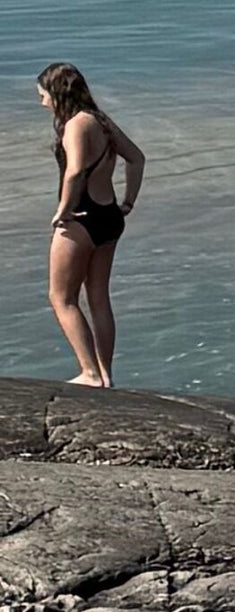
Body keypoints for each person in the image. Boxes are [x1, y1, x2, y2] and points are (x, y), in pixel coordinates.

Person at [38, 64, 142, 388]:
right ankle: (106, 375)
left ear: (58, 94)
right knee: (98, 296)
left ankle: (90, 373)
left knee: (61, 297)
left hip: (80, 219)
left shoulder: (75, 125)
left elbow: (75, 172)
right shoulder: (101, 121)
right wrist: (128, 203)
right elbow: (137, 158)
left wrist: (62, 212)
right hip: (109, 216)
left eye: (43, 95)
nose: (42, 102)